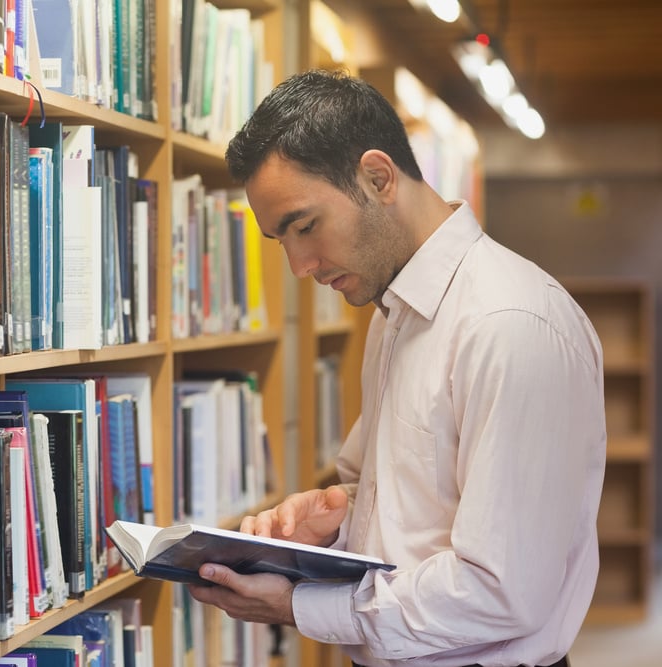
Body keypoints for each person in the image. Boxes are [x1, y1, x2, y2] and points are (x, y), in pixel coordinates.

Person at [187, 69, 606, 667]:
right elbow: (408, 495)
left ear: (378, 177)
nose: (300, 265)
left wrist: (300, 606)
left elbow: (502, 591)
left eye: (305, 227)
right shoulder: (393, 313)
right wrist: (336, 517)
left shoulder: (509, 325)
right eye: (282, 240)